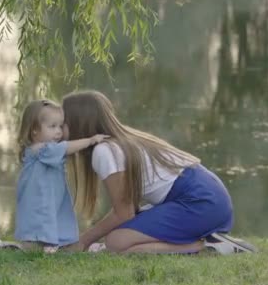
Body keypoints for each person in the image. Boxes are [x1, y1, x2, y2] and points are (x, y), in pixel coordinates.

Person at [61, 90, 256, 254]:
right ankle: (207, 240)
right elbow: (129, 208)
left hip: (200, 202)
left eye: (62, 124)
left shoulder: (105, 151)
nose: (58, 130)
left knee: (117, 242)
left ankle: (207, 246)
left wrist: (83, 241)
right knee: (121, 236)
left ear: (79, 123)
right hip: (211, 197)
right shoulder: (122, 140)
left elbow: (124, 213)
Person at [14, 99, 108, 252]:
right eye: (52, 126)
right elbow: (66, 148)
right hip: (39, 200)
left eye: (60, 126)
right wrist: (90, 140)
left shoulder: (48, 149)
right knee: (40, 221)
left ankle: (57, 242)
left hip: (51, 197)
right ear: (34, 131)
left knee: (57, 216)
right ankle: (40, 244)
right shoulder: (40, 149)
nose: (58, 131)